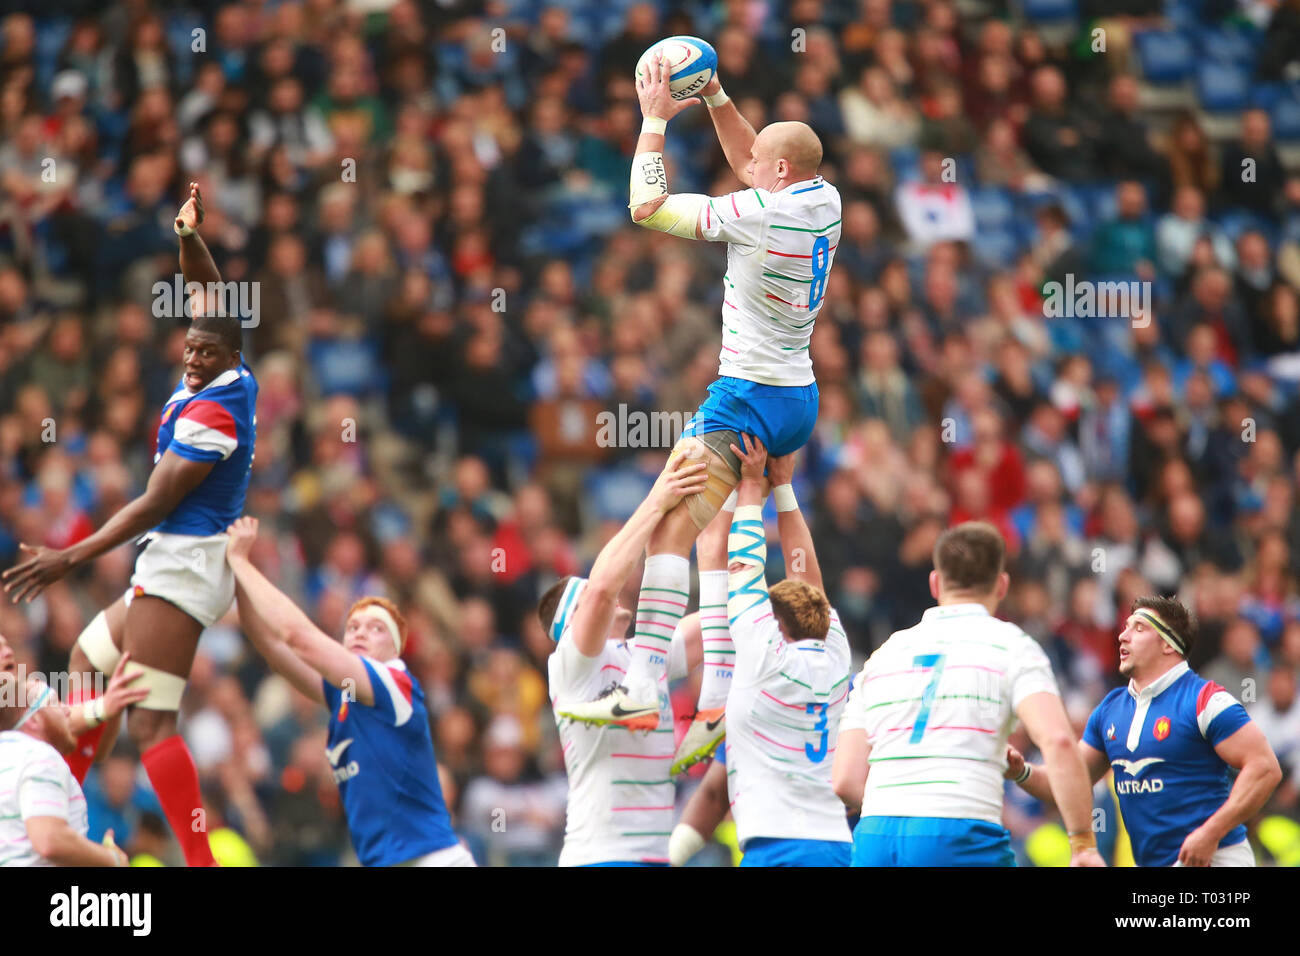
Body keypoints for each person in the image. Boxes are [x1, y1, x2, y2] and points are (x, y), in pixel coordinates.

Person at [562, 55, 843, 749]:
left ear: (775, 176)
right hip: (798, 397)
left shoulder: (755, 213)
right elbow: (760, 159)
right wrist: (715, 93)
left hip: (743, 397)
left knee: (671, 530)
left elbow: (646, 207)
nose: (749, 167)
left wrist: (656, 120)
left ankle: (643, 684)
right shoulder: (826, 199)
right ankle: (717, 694)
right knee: (716, 532)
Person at [3, 183, 256, 867]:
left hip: (183, 566)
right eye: (191, 347)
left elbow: (151, 502)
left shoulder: (214, 416)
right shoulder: (228, 371)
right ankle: (69, 804)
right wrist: (186, 238)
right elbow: (212, 293)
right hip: (168, 564)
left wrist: (68, 558)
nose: (193, 357)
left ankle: (200, 862)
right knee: (87, 661)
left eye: (206, 352)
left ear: (229, 357)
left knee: (151, 724)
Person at [833, 521, 1105, 867]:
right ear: (1002, 584)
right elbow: (1059, 742)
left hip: (874, 839)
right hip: (959, 834)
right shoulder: (1013, 646)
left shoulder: (885, 653)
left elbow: (844, 780)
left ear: (935, 582)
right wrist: (1082, 842)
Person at [224, 516, 473, 867]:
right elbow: (270, 646)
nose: (359, 632)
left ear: (397, 649)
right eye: (352, 626)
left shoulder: (393, 680)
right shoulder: (345, 696)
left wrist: (241, 562)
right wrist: (237, 577)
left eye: (376, 628)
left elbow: (298, 638)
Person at [1005, 596, 1282, 866]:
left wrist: (1211, 832)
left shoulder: (1205, 700)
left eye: (1138, 628)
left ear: (1167, 644)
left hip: (1214, 858)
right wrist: (1020, 770)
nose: (1123, 636)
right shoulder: (1109, 710)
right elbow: (1066, 783)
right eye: (1125, 627)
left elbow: (1265, 768)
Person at [539, 455, 707, 866]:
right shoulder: (570, 665)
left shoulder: (645, 658)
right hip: (600, 857)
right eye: (590, 594)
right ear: (573, 622)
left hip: (653, 857)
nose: (610, 593)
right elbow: (601, 590)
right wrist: (656, 501)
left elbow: (720, 622)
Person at [714, 436, 853, 865]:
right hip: (835, 846)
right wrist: (785, 485)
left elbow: (744, 563)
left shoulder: (764, 656)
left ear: (777, 626)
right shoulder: (837, 654)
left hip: (774, 847)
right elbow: (806, 575)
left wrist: (753, 484)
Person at [0, 671, 128, 866]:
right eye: (54, 701)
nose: (67, 710)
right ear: (34, 720)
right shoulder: (39, 755)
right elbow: (49, 839)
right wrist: (111, 859)